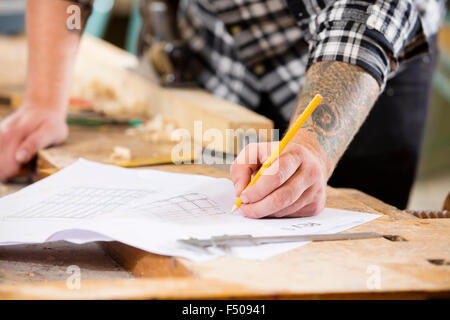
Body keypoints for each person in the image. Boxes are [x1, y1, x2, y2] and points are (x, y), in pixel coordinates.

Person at [0, 0, 445, 218]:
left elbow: (366, 12)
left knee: (342, 243)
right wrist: (44, 100)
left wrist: (312, 147)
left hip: (358, 70)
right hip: (214, 50)